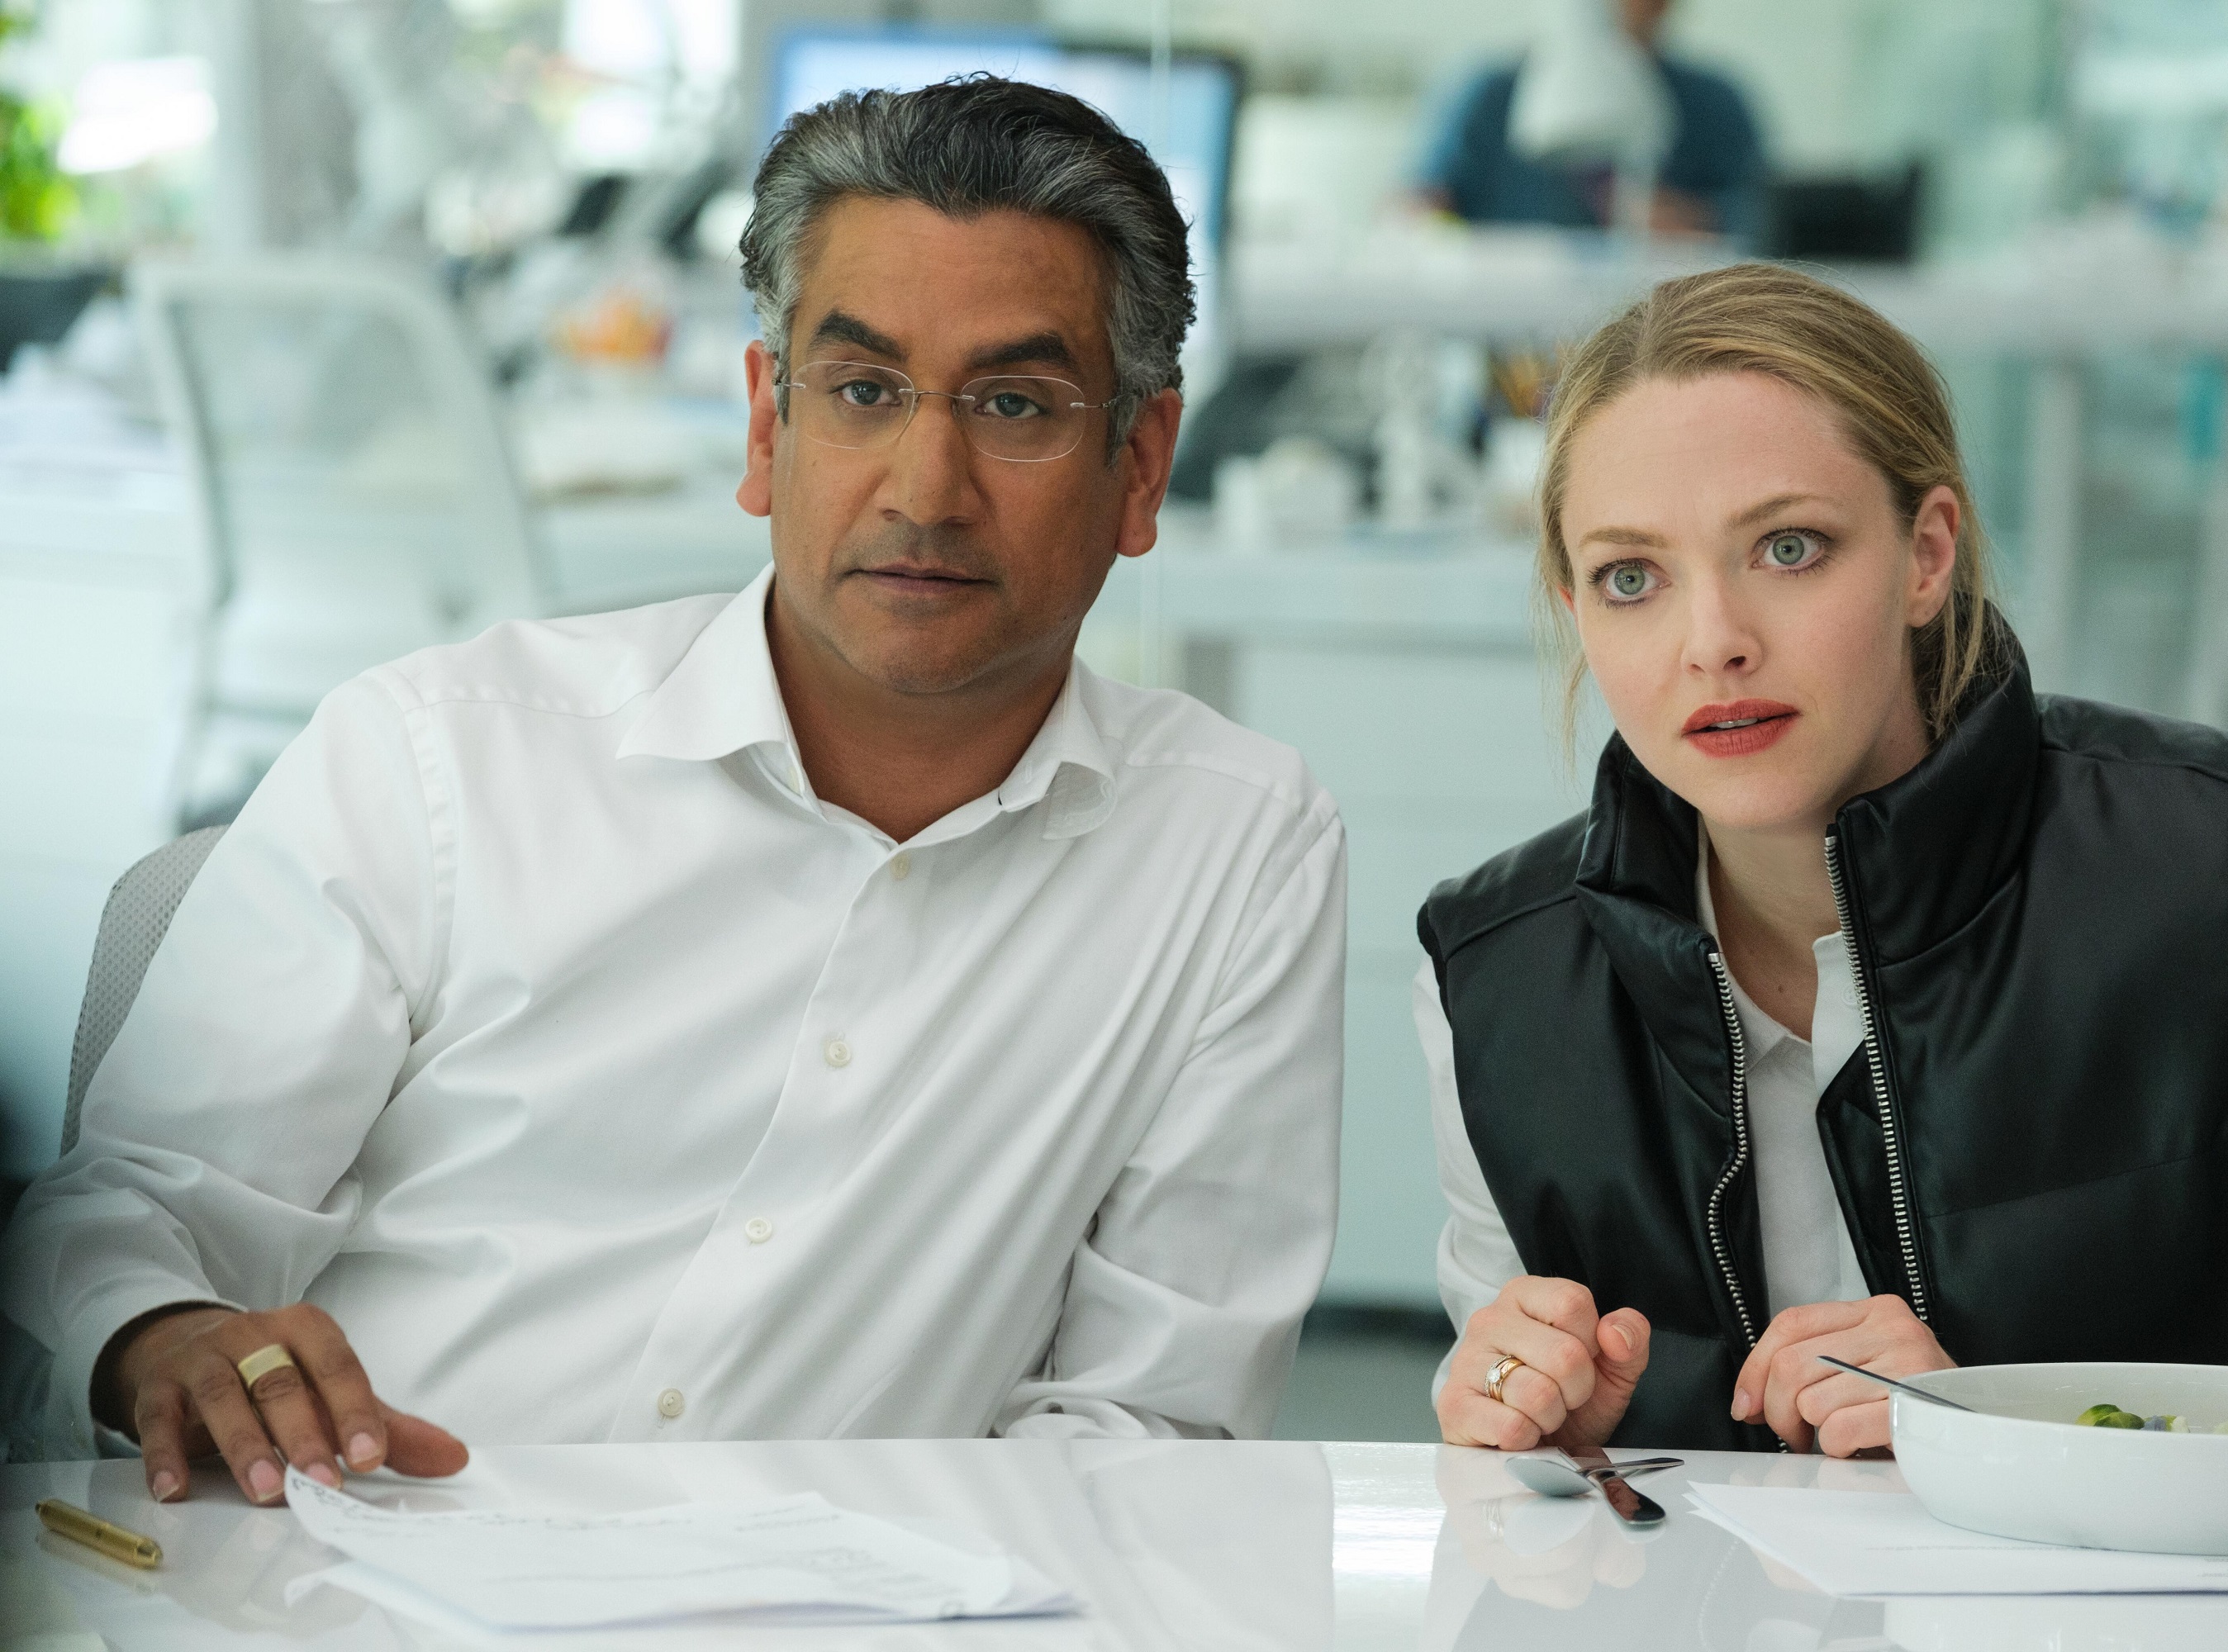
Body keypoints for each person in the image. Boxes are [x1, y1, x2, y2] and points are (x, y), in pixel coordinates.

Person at [0, 78, 1346, 1501]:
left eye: (1015, 403)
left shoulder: (1233, 848)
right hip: (350, 1580)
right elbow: (134, 1215)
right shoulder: (443, 754)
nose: (926, 485)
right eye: (865, 390)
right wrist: (168, 1333)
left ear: (1139, 467)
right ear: (769, 426)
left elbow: (1149, 1431)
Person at [1418, 263, 2228, 1456]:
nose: (1712, 642)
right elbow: (1550, 1544)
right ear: (1575, 606)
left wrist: (2005, 1434)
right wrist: (1548, 1457)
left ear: (1928, 556)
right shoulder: (1496, 977)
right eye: (1631, 578)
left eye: (1789, 549)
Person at [1413, 0, 1763, 239]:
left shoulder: (1714, 101)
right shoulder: (1487, 95)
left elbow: (1771, 216)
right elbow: (1421, 206)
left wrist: (1700, 220)